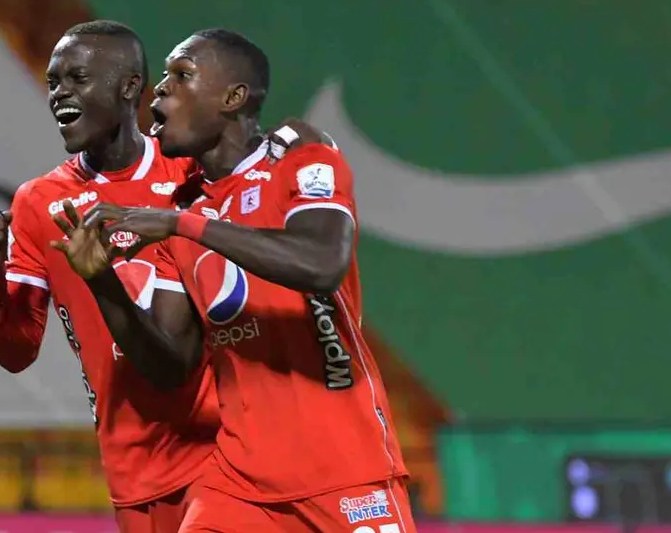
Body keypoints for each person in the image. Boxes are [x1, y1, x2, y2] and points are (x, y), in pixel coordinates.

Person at [50, 29, 414, 532]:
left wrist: (184, 226)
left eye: (180, 76)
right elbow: (169, 366)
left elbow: (321, 262)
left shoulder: (299, 160)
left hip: (345, 469)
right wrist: (101, 282)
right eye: (160, 80)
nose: (159, 92)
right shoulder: (181, 205)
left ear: (233, 97)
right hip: (240, 481)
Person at [0, 20, 217, 532]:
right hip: (133, 465)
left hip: (218, 449)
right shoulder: (38, 203)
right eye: (53, 82)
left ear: (129, 87)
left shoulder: (188, 173)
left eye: (77, 78)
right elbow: (16, 352)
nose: (60, 93)